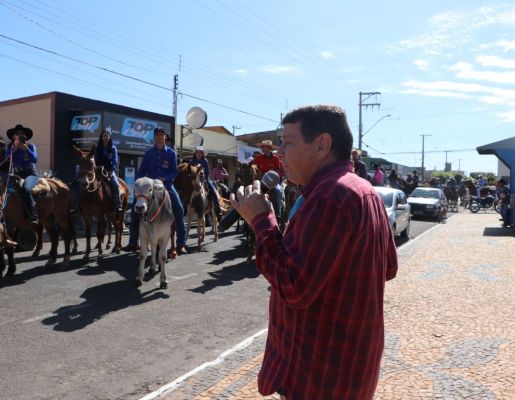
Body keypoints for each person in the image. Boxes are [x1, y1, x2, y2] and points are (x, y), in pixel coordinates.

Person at [230, 105, 398, 399]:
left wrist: (261, 220)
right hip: (352, 368)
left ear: (321, 145)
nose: (280, 152)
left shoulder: (330, 196)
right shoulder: (365, 190)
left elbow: (293, 286)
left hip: (319, 375)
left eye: (288, 142)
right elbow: (389, 268)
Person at [123, 127, 188, 255]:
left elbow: (174, 172)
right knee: (137, 209)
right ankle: (132, 242)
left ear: (165, 137)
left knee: (179, 208)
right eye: (157, 135)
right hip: (149, 187)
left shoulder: (171, 153)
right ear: (154, 137)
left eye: (161, 135)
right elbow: (142, 171)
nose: (159, 137)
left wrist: (165, 178)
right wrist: (142, 181)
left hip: (166, 185)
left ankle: (181, 244)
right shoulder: (148, 153)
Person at [6, 124, 39, 224]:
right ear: (13, 136)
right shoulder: (10, 147)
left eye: (22, 134)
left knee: (25, 189)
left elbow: (35, 159)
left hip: (30, 173)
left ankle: (33, 215)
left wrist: (26, 149)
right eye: (17, 133)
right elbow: (7, 160)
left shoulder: (30, 146)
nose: (20, 135)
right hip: (16, 173)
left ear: (25, 136)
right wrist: (14, 149)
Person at [94, 128, 122, 213]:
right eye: (104, 136)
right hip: (98, 170)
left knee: (115, 184)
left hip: (109, 171)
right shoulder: (97, 148)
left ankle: (118, 205)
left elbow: (115, 160)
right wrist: (96, 167)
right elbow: (95, 159)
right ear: (101, 137)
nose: (105, 137)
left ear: (109, 137)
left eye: (107, 135)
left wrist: (111, 171)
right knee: (87, 182)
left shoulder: (113, 148)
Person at [252, 140, 283, 219]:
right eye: (261, 146)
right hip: (260, 181)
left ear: (269, 148)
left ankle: (278, 211)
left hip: (272, 181)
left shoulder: (276, 159)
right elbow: (253, 168)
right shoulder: (258, 158)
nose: (262, 148)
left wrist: (270, 173)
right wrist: (256, 172)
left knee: (278, 191)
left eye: (263, 146)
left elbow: (278, 171)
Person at [189, 146, 223, 219]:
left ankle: (218, 209)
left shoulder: (205, 161)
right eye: (197, 152)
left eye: (200, 152)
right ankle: (185, 208)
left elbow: (207, 172)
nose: (199, 154)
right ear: (195, 153)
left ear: (202, 154)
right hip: (194, 180)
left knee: (213, 192)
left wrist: (203, 179)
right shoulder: (192, 162)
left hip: (204, 179)